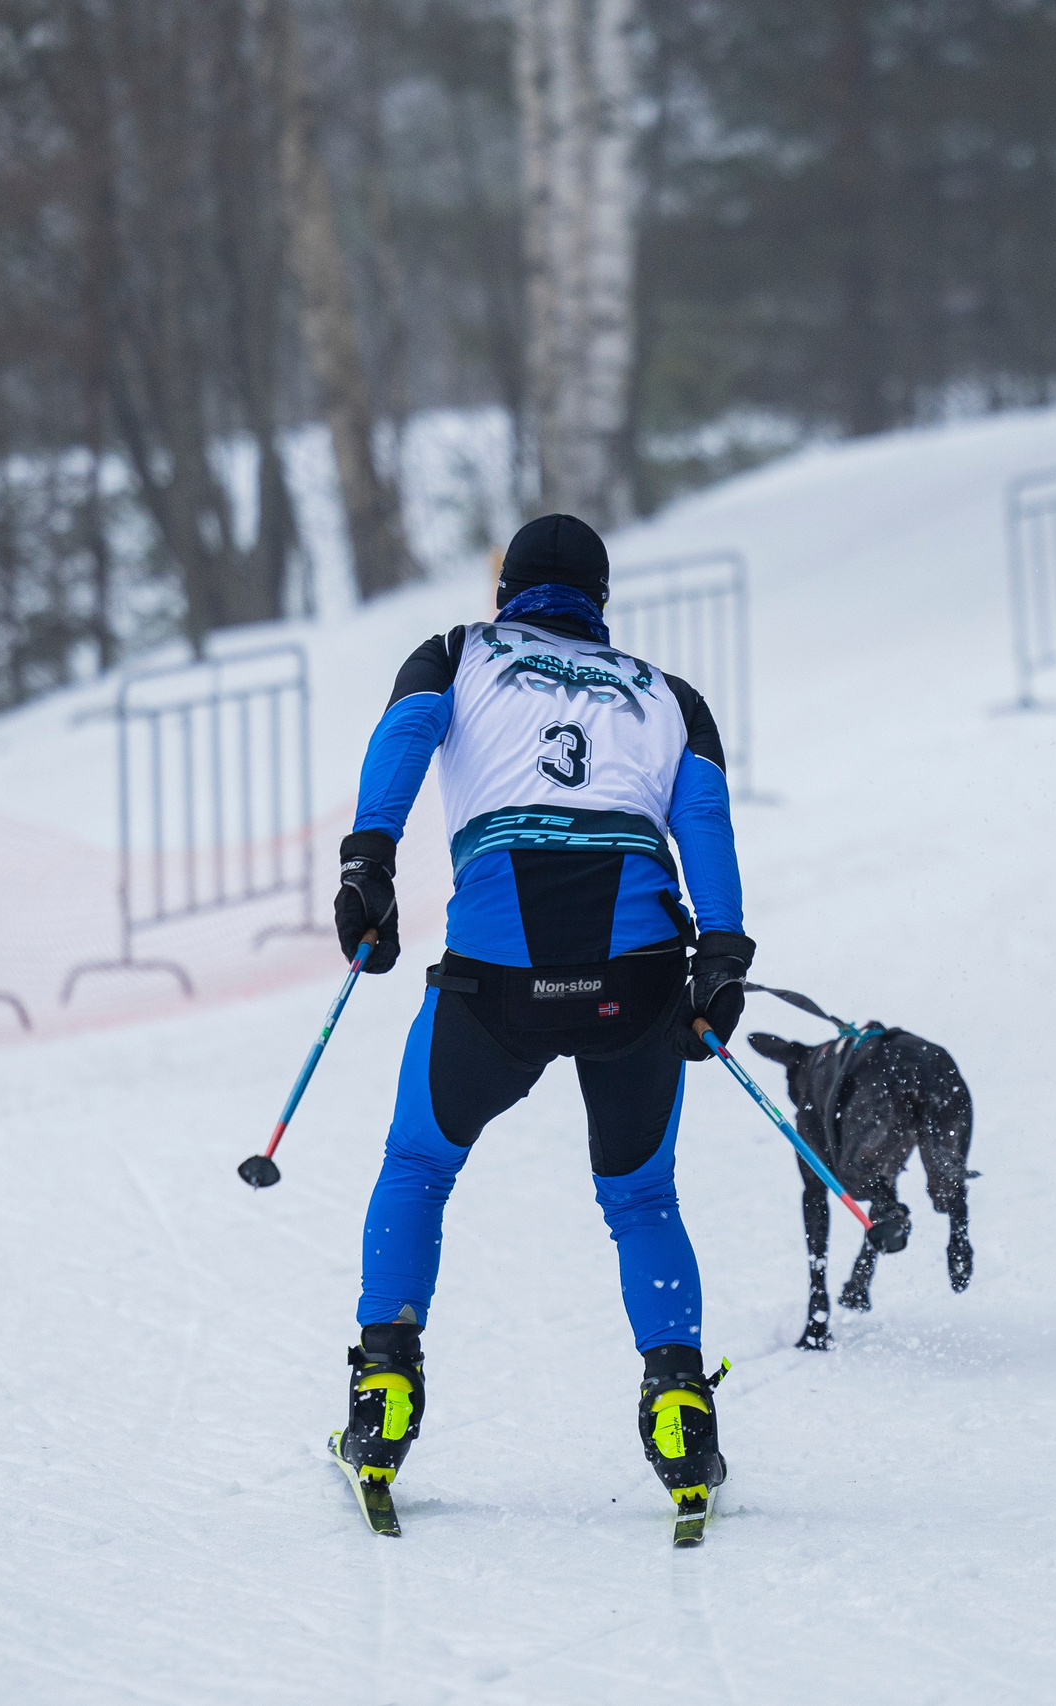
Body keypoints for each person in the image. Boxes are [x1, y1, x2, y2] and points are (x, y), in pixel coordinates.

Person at [329, 512, 753, 1518]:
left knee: (419, 1165)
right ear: (599, 603)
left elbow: (403, 738)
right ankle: (679, 1408)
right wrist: (723, 959)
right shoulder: (667, 694)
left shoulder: (455, 652)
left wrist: (367, 865)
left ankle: (383, 1386)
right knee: (642, 1198)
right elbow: (706, 824)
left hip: (498, 981)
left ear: (503, 592)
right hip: (635, 980)